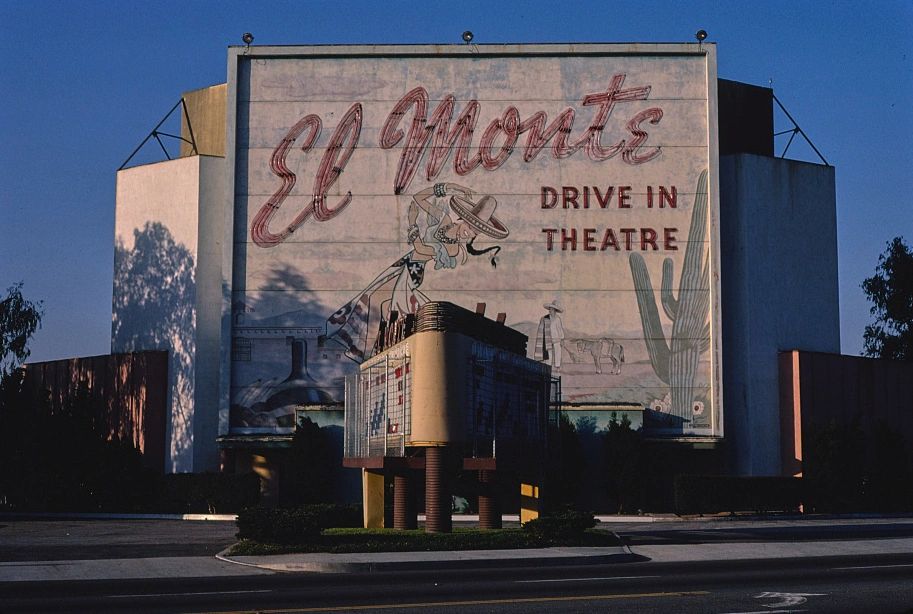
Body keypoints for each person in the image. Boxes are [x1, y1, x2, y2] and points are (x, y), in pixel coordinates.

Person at [325, 182, 508, 362]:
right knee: (373, 299)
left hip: (413, 271)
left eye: (475, 234)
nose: (470, 235)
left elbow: (422, 249)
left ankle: (363, 353)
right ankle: (362, 348)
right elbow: (418, 198)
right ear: (464, 220)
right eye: (471, 229)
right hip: (402, 263)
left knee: (379, 301)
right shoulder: (444, 219)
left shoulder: (452, 250)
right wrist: (449, 187)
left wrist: (413, 224)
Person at [535, 300, 565, 370]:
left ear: (555, 310)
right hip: (548, 339)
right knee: (549, 353)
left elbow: (560, 329)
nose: (550, 311)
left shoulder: (557, 319)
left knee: (558, 353)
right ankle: (548, 367)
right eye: (550, 309)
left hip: (557, 339)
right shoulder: (545, 318)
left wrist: (562, 339)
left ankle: (557, 367)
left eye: (551, 309)